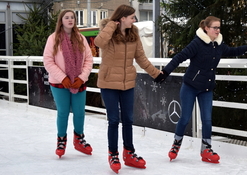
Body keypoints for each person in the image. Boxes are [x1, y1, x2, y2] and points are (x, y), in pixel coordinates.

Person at [154, 16, 247, 163]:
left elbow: (231, 51)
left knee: (207, 120)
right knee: (185, 118)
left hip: (206, 88)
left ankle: (206, 149)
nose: (218, 30)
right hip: (190, 86)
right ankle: (176, 145)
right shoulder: (197, 43)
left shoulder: (218, 45)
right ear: (206, 28)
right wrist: (165, 72)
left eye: (219, 28)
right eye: (215, 28)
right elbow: (180, 57)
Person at [94, 4, 161, 174]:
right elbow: (98, 43)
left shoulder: (134, 34)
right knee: (114, 120)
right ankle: (113, 154)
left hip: (127, 83)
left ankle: (129, 153)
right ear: (122, 18)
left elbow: (140, 57)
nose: (134, 20)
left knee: (128, 120)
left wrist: (156, 74)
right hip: (109, 82)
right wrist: (111, 24)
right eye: (132, 17)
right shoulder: (108, 33)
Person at [43, 10, 94, 158]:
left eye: (72, 17)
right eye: (67, 17)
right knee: (63, 112)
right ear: (61, 20)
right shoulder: (53, 39)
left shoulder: (81, 38)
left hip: (79, 83)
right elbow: (48, 61)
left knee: (79, 112)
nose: (70, 20)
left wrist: (82, 78)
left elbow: (88, 60)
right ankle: (61, 140)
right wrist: (63, 78)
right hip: (60, 84)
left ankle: (79, 138)